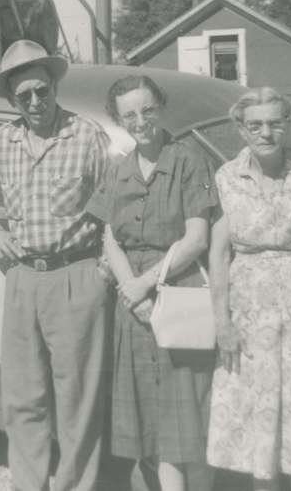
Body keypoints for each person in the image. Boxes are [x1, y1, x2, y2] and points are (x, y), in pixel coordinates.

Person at [0, 39, 110, 491]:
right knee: (24, 398)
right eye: (24, 95)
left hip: (78, 276)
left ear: (54, 87)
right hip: (24, 278)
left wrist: (105, 267)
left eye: (42, 91)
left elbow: (115, 203)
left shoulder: (86, 136)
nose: (34, 102)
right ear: (12, 99)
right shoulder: (0, 142)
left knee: (77, 400)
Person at [84, 75, 216, 491]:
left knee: (187, 423)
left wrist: (145, 284)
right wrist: (131, 292)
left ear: (160, 108)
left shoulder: (188, 159)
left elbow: (196, 239)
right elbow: (109, 237)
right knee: (149, 422)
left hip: (179, 294)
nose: (140, 121)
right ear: (119, 120)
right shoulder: (119, 168)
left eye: (147, 110)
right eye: (129, 115)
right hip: (133, 307)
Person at [205, 87, 291, 491]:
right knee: (257, 425)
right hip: (249, 317)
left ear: (288, 125)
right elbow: (217, 256)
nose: (266, 132)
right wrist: (222, 322)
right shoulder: (227, 177)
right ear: (240, 129)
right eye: (255, 125)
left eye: (275, 123)